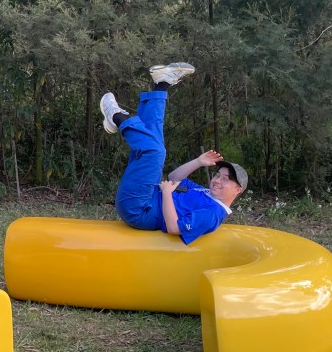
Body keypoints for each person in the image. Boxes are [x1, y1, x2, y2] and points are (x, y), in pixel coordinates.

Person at [100, 62, 248, 244]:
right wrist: (199, 162)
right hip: (149, 194)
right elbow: (174, 177)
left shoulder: (214, 214)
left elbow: (174, 228)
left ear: (237, 190)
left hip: (139, 209)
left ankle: (116, 117)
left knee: (154, 151)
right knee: (155, 135)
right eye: (219, 175)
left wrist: (168, 194)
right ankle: (161, 85)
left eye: (226, 179)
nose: (217, 180)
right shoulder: (205, 192)